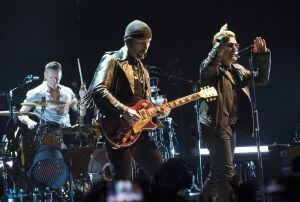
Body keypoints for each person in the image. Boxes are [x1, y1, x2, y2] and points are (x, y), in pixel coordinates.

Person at [82, 20, 170, 181]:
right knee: (123, 183)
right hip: (117, 129)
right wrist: (124, 110)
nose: (145, 47)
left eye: (148, 43)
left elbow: (145, 103)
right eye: (140, 43)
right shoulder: (112, 60)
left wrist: (158, 113)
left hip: (140, 131)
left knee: (163, 177)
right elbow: (98, 89)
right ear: (128, 42)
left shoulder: (143, 70)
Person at [198, 24, 271, 202]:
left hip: (229, 127)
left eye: (236, 45)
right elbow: (209, 64)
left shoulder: (237, 70)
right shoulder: (209, 69)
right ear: (219, 48)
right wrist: (222, 38)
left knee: (218, 172)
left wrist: (262, 55)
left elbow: (261, 78)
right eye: (229, 45)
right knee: (227, 173)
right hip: (214, 126)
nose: (235, 48)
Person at [18, 61, 86, 146]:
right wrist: (29, 122)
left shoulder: (68, 91)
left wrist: (83, 98)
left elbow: (79, 113)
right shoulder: (36, 93)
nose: (54, 81)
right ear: (45, 75)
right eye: (51, 78)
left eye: (57, 77)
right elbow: (21, 114)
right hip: (47, 137)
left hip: (67, 134)